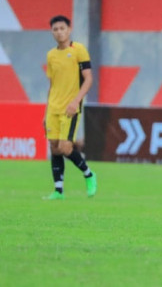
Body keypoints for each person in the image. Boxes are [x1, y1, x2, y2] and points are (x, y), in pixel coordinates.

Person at [43, 15, 97, 200]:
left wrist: (76, 101)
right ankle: (58, 191)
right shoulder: (51, 55)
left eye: (62, 28)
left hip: (70, 108)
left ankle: (89, 174)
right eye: (55, 29)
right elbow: (52, 84)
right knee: (54, 148)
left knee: (66, 148)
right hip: (53, 108)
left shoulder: (78, 50)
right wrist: (46, 111)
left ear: (69, 29)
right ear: (52, 32)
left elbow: (88, 78)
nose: (59, 32)